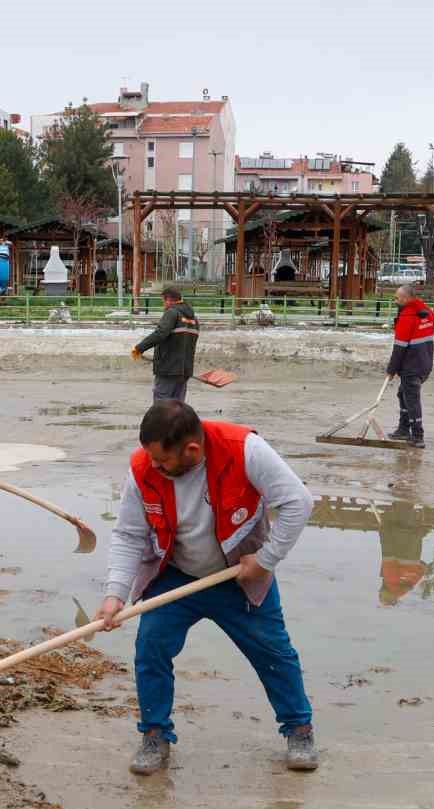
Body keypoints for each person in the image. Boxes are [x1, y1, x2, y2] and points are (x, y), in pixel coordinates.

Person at [95, 401, 319, 775]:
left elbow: (299, 503)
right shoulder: (143, 467)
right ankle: (155, 735)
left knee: (273, 652)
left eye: (162, 460)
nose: (154, 466)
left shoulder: (243, 449)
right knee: (150, 647)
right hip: (175, 575)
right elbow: (129, 535)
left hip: (238, 576)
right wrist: (114, 594)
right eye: (151, 458)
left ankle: (299, 730)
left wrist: (265, 560)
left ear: (192, 450)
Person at [386, 283, 434, 449]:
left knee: (411, 399)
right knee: (403, 393)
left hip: (412, 366)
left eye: (397, 298)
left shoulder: (407, 317)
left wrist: (391, 370)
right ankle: (403, 429)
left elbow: (399, 348)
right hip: (425, 363)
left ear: (405, 298)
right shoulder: (425, 310)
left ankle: (417, 436)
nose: (395, 301)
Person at [130, 285, 199, 402]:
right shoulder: (194, 319)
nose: (164, 305)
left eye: (163, 301)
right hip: (185, 370)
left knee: (162, 404)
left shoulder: (172, 313)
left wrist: (139, 348)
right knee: (177, 405)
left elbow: (160, 334)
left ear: (168, 299)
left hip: (168, 369)